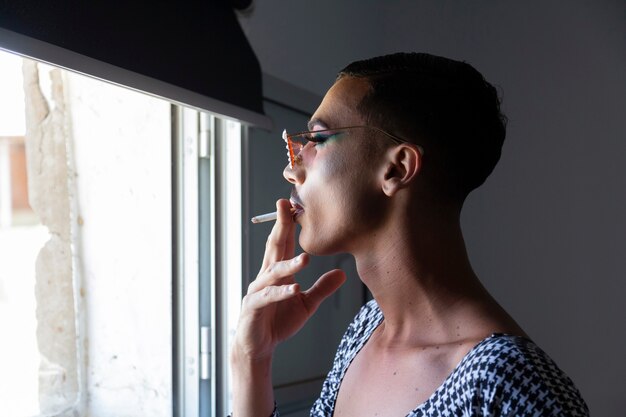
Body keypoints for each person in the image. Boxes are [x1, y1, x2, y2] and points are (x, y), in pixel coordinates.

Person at [230, 52, 589, 417]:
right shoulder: (365, 330)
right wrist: (251, 361)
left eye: (318, 140)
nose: (292, 171)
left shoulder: (507, 384)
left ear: (397, 168)